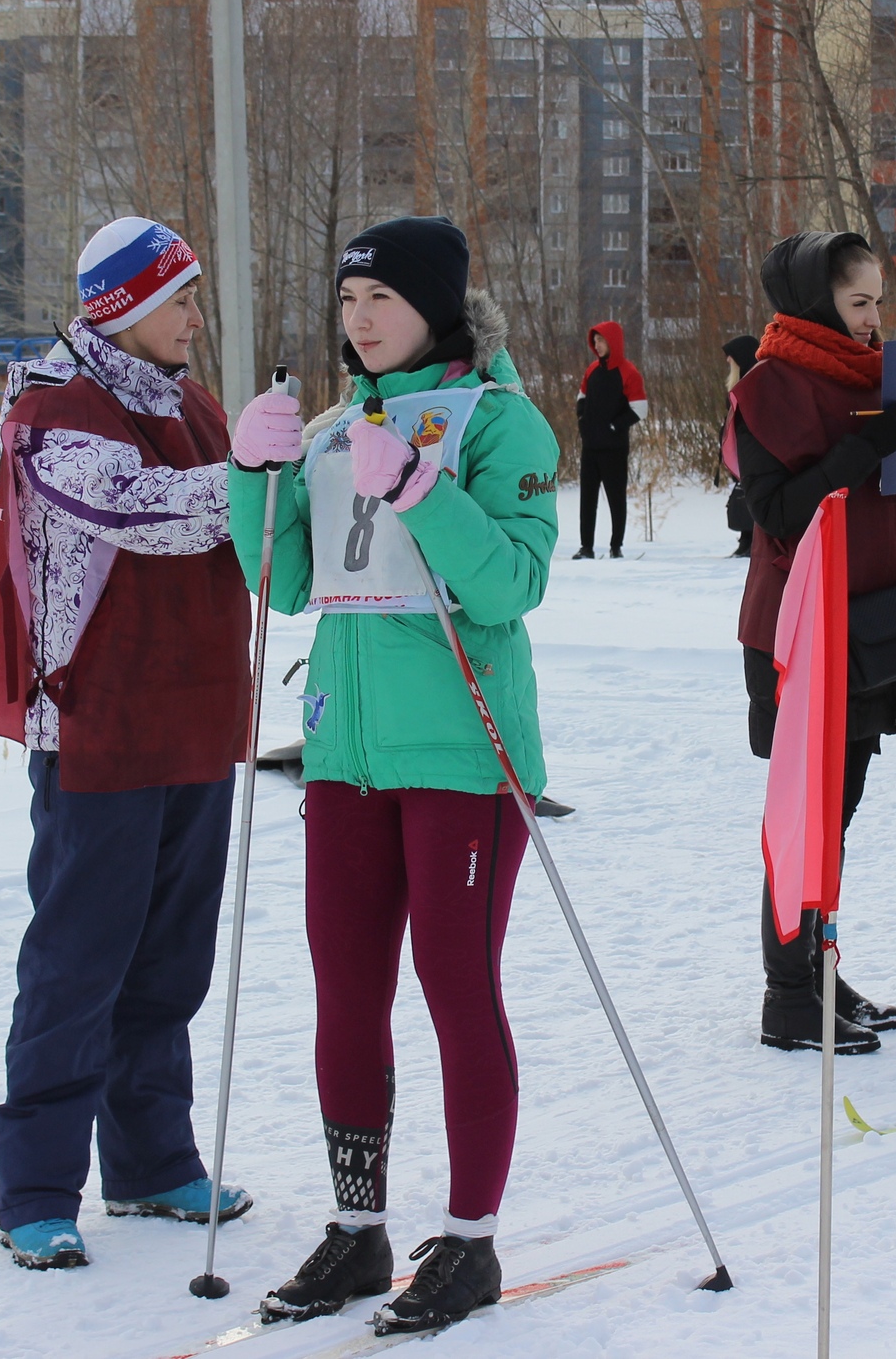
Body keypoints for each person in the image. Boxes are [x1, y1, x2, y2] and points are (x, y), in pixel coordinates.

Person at [227, 216, 560, 1336]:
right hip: (344, 753)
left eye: (377, 300)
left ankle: (469, 1241)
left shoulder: (499, 422)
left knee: (456, 987)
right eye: (345, 303)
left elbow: (510, 585)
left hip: (462, 754)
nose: (356, 321)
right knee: (345, 990)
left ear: (433, 304)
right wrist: (250, 474)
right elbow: (281, 585)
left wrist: (423, 487)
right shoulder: (333, 429)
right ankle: (357, 1226)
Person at [0, 216, 254, 1271]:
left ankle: (152, 1160)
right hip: (98, 727)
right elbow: (145, 510)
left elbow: (248, 537)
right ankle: (35, 1184)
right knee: (80, 960)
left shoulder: (198, 407)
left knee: (170, 960)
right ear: (123, 304)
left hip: (198, 717)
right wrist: (256, 479)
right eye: (181, 300)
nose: (196, 319)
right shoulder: (54, 409)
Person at [727, 230, 896, 1054]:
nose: (874, 318)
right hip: (799, 629)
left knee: (837, 812)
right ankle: (790, 996)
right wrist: (861, 450)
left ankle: (818, 969)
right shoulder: (769, 388)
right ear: (819, 301)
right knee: (804, 815)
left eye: (880, 302)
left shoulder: (876, 376)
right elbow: (775, 515)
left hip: (868, 614)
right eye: (859, 303)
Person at [573, 320, 646, 558]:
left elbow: (640, 409)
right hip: (590, 447)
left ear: (613, 341)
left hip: (614, 448)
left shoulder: (629, 372)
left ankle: (616, 547)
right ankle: (586, 547)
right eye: (595, 341)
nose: (597, 345)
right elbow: (581, 398)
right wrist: (583, 420)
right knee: (587, 500)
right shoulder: (592, 370)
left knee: (616, 499)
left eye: (601, 340)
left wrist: (614, 426)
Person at [722, 335, 759, 556]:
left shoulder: (751, 384)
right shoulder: (739, 384)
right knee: (744, 494)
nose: (727, 360)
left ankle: (752, 540)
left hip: (750, 449)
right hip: (739, 449)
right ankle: (746, 539)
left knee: (752, 493)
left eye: (731, 356)